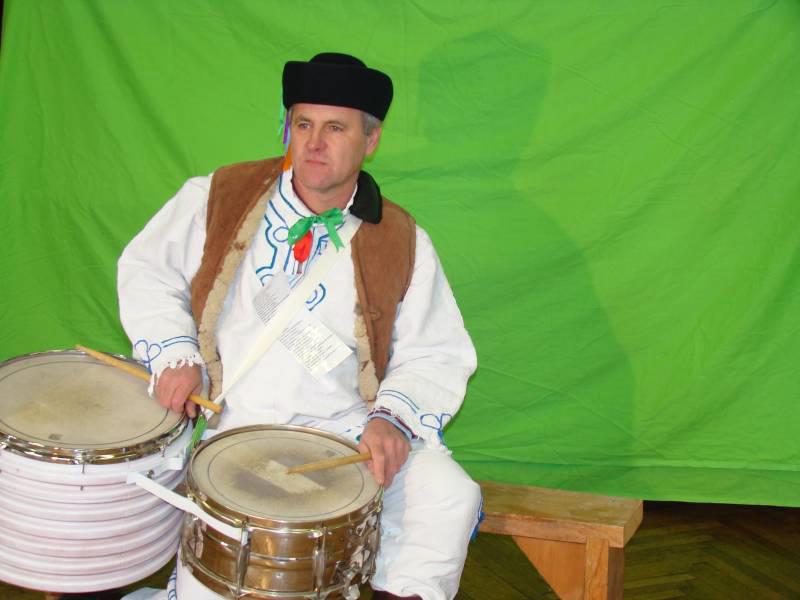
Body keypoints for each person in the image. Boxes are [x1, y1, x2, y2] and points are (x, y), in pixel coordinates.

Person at [117, 52, 481, 600]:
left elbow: (434, 352)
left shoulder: (401, 239)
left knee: (446, 492)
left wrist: (391, 420)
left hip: (345, 436)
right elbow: (148, 271)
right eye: (303, 124)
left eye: (335, 128)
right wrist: (177, 354)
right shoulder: (219, 196)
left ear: (371, 140)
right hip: (233, 429)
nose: (314, 143)